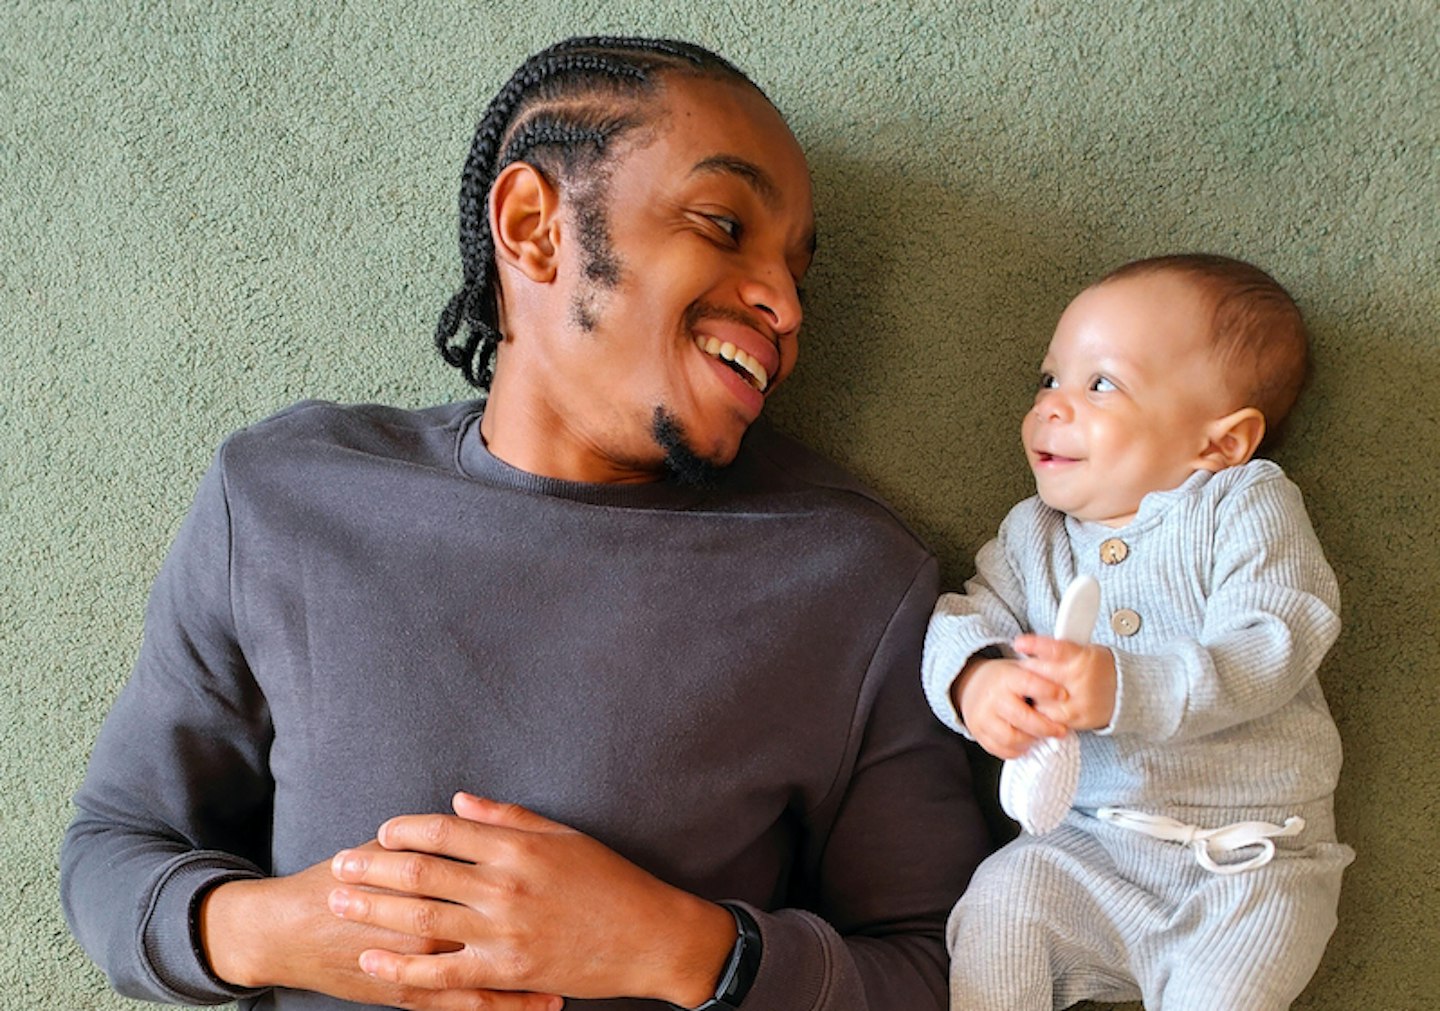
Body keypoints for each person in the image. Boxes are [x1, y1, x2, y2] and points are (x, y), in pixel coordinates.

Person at [60, 36, 989, 1011]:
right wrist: (273, 933)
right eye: (723, 225)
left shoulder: (853, 580)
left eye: (798, 271)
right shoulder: (282, 498)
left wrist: (682, 949)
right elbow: (113, 844)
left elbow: (937, 970)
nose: (787, 306)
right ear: (533, 226)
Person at [921, 254, 1355, 1010]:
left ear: (1220, 443)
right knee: (1001, 899)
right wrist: (977, 678)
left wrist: (1128, 684)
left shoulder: (1241, 503)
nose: (1052, 406)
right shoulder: (1036, 535)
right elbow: (965, 615)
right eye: (1049, 378)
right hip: (1089, 848)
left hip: (1253, 863)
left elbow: (1280, 632)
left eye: (1102, 384)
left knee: (1227, 990)